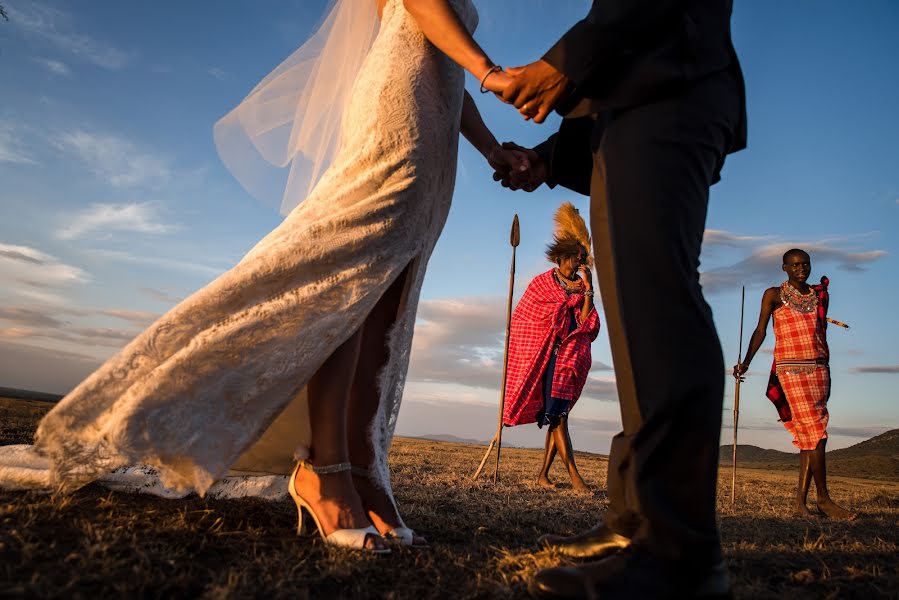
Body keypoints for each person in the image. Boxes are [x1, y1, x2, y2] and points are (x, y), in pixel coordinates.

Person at [0, 0, 530, 553]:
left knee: (390, 303)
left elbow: (444, 58)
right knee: (345, 282)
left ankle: (367, 469)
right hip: (399, 111)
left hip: (437, 131)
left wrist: (491, 147)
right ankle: (328, 469)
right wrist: (491, 71)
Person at [489, 0, 748, 597]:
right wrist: (548, 158)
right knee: (635, 318)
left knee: (660, 307)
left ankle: (681, 551)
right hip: (629, 111)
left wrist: (561, 65)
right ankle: (636, 517)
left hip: (673, 90)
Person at [733, 249, 854, 520]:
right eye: (795, 264)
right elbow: (761, 330)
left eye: (805, 264)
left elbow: (819, 330)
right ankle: (824, 499)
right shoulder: (773, 294)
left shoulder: (819, 295)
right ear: (784, 267)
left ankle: (801, 504)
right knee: (816, 435)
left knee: (811, 436)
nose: (802, 268)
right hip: (791, 370)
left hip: (819, 368)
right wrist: (746, 362)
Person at [503, 203, 599, 494]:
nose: (577, 264)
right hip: (548, 357)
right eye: (574, 258)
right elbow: (525, 318)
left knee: (560, 415)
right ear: (561, 256)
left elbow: (586, 322)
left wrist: (589, 286)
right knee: (557, 416)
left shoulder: (581, 288)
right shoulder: (543, 284)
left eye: (582, 260)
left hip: (571, 358)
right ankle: (575, 478)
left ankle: (543, 475)